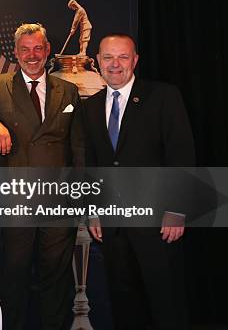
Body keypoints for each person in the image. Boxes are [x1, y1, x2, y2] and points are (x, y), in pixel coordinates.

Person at [0, 23, 84, 329]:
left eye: (38, 48)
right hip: (15, 202)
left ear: (48, 51)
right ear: (15, 52)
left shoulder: (68, 90)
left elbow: (79, 146)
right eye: (25, 49)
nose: (32, 55)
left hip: (58, 203)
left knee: (56, 279)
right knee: (14, 279)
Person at [80, 34, 195, 329]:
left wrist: (177, 209)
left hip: (158, 223)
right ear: (98, 62)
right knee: (124, 303)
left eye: (122, 57)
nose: (115, 65)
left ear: (135, 60)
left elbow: (181, 155)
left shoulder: (164, 97)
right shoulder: (91, 107)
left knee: (165, 301)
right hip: (113, 226)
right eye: (108, 58)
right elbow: (91, 164)